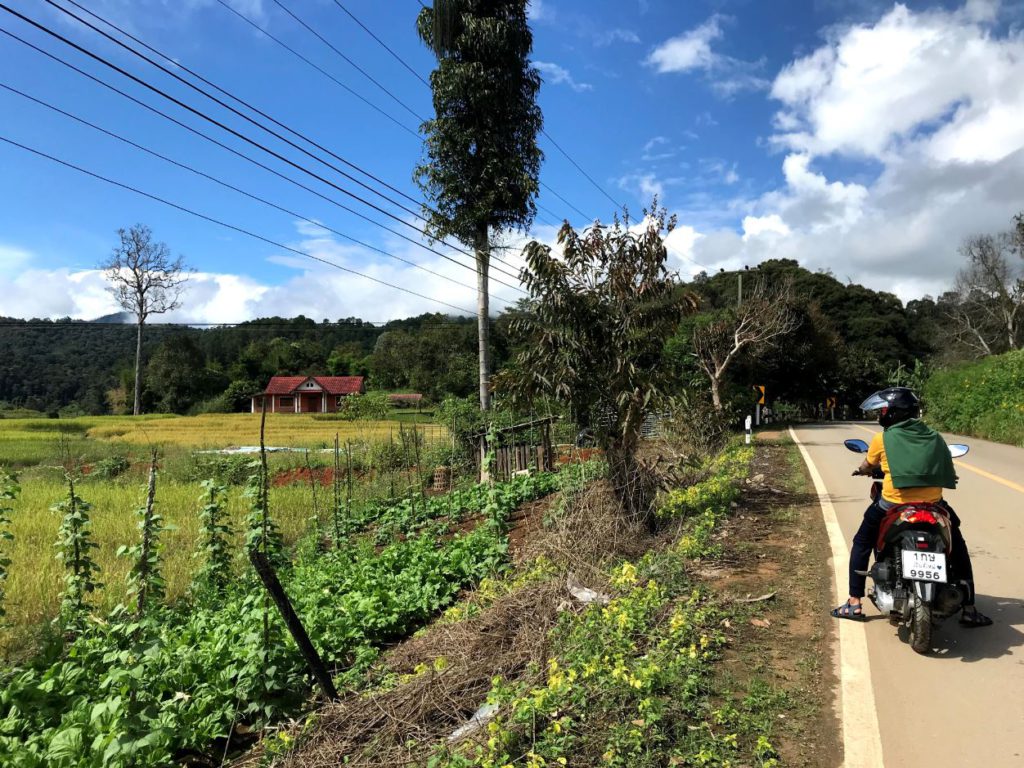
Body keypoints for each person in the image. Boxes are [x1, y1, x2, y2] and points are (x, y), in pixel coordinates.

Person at [831, 386, 992, 627]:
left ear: (893, 413)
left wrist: (862, 470)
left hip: (892, 504)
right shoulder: (935, 437)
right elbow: (945, 466)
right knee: (957, 546)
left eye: (883, 411)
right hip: (933, 505)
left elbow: (867, 464)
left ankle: (854, 602)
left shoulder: (881, 439)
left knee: (862, 542)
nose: (880, 415)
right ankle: (969, 608)